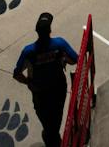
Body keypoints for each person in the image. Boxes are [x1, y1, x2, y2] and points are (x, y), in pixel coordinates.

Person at [12, 12, 78, 147]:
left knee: (47, 123)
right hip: (58, 89)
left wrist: (28, 82)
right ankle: (53, 138)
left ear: (37, 32)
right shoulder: (59, 44)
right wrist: (63, 59)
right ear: (50, 31)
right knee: (56, 118)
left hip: (40, 92)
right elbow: (75, 59)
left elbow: (17, 74)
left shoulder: (29, 51)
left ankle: (52, 139)